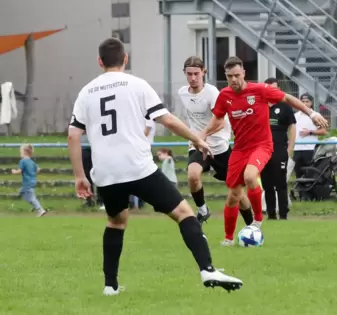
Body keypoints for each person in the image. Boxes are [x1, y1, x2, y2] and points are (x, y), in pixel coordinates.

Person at [67, 38, 243, 296]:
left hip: (105, 172)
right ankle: (207, 270)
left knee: (116, 222)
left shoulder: (87, 92)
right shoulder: (137, 85)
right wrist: (196, 139)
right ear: (125, 59)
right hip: (138, 168)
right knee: (184, 214)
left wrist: (80, 177)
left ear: (100, 61)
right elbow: (167, 119)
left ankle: (110, 286)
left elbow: (73, 135)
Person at [203, 56, 328, 246]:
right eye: (230, 76)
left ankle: (257, 220)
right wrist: (202, 135)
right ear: (226, 76)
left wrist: (311, 113)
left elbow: (286, 97)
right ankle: (228, 239)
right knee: (233, 195)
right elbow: (218, 119)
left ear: (244, 73)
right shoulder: (225, 96)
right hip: (240, 148)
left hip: (262, 145)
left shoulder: (260, 90)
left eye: (237, 75)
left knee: (251, 176)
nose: (234, 79)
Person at [178, 56, 253, 226]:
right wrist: (193, 138)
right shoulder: (182, 93)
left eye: (196, 73)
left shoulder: (212, 93)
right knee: (192, 176)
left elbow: (219, 122)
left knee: (238, 193)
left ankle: (252, 226)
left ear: (203, 72)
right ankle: (203, 210)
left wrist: (200, 136)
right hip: (199, 146)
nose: (193, 78)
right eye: (189, 74)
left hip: (220, 148)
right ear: (184, 73)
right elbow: (187, 118)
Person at [260, 77, 296, 220]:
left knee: (280, 183)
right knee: (267, 184)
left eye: (274, 88)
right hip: (262, 150)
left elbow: (292, 127)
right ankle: (271, 214)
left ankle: (283, 214)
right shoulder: (260, 106)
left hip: (279, 149)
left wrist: (290, 149)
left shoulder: (285, 106)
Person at [293, 93, 327, 179]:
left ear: (311, 103)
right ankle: (301, 192)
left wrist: (310, 132)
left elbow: (323, 131)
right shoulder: (295, 116)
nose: (304, 103)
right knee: (298, 173)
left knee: (310, 173)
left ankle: (311, 191)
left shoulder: (316, 115)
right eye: (302, 101)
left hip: (310, 148)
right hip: (297, 149)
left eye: (307, 101)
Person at [11, 144, 47, 217]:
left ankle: (40, 210)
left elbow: (20, 171)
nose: (20, 154)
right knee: (22, 192)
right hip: (33, 181)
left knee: (31, 197)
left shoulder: (23, 161)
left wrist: (14, 171)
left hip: (27, 182)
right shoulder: (31, 161)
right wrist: (33, 174)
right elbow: (38, 169)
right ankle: (35, 205)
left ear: (24, 152)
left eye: (20, 152)